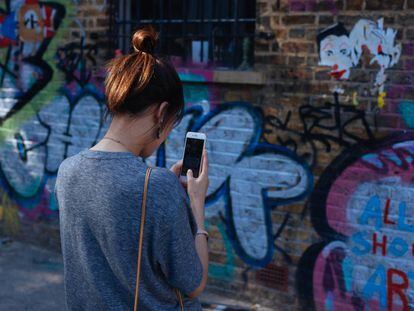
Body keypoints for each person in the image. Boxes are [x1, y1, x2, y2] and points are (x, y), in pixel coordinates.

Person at [54, 25, 209, 310]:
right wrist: (196, 205)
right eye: (171, 126)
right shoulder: (158, 187)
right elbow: (195, 283)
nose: (165, 137)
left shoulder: (67, 172)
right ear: (161, 113)